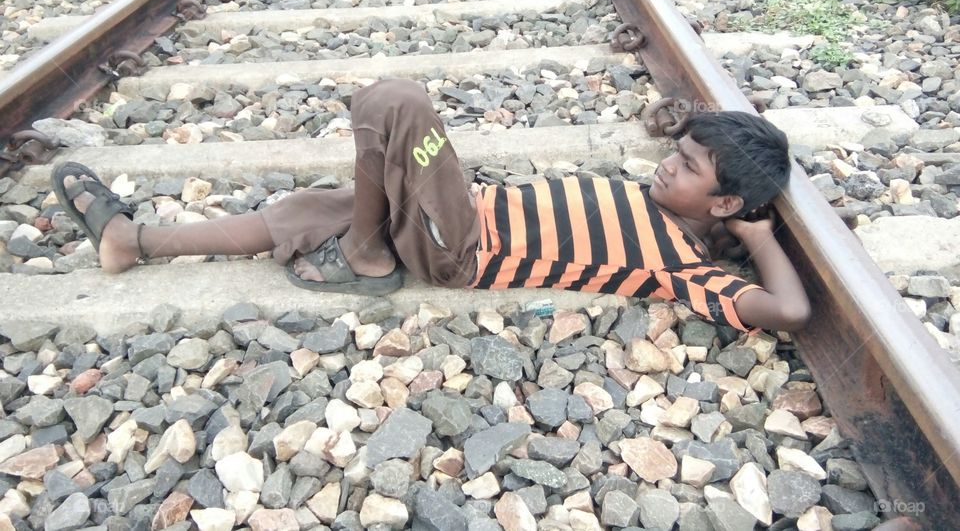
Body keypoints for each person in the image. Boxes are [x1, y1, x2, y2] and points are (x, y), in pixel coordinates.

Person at [52, 77, 810, 333]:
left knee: (396, 103)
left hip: (458, 247)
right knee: (311, 206)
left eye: (684, 168)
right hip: (449, 213)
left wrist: (759, 235)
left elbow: (791, 313)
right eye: (673, 154)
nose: (665, 167)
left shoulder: (681, 263)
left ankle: (366, 255)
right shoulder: (650, 200)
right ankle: (135, 241)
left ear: (726, 201)